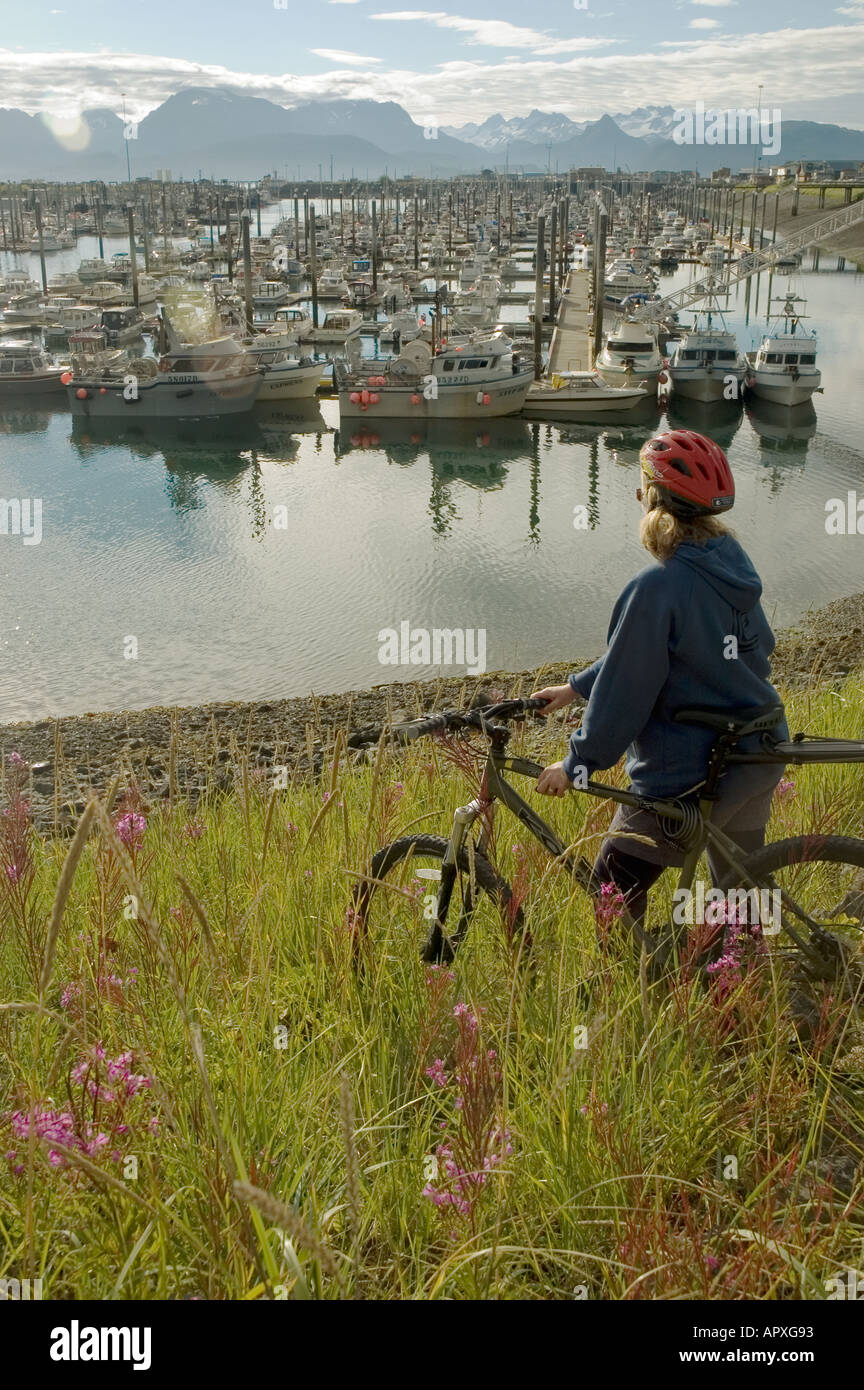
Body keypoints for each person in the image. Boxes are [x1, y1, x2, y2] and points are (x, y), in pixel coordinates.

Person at [531, 429, 787, 939]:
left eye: (641, 487)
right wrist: (577, 687)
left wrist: (576, 762)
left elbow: (628, 690)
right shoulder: (732, 571)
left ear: (654, 500)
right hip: (758, 749)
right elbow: (738, 649)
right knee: (736, 893)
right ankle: (738, 992)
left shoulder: (657, 586)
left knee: (611, 888)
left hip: (696, 769)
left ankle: (642, 996)